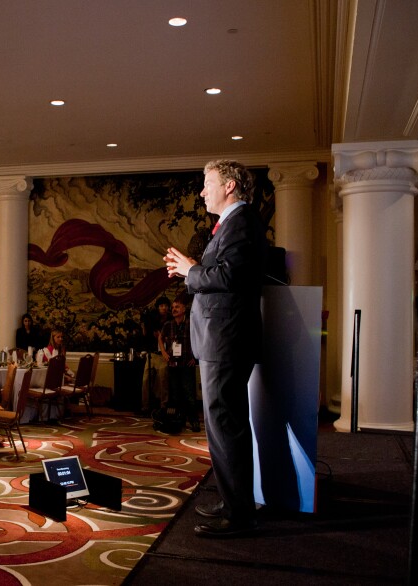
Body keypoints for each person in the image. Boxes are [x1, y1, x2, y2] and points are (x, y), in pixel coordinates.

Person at [164, 159, 265, 538]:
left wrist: (191, 270)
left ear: (230, 186)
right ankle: (233, 501)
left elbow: (229, 275)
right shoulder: (234, 224)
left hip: (226, 340)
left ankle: (240, 515)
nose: (202, 191)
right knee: (223, 425)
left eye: (208, 183)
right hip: (221, 339)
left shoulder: (241, 223)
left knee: (226, 425)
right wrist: (189, 270)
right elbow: (222, 274)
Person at [160, 298, 199, 432]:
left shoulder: (191, 323)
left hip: (187, 364)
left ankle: (194, 421)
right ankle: (179, 420)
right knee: (176, 395)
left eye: (177, 307)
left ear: (184, 309)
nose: (174, 309)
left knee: (189, 394)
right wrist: (164, 353)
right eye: (173, 307)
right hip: (173, 365)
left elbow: (199, 339)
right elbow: (160, 338)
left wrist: (195, 357)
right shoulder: (168, 325)